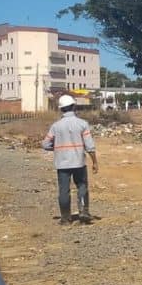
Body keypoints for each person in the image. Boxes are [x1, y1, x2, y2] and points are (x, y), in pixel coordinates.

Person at [42, 95, 98, 225]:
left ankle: (66, 218)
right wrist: (95, 162)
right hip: (78, 162)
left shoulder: (56, 126)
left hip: (62, 163)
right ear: (74, 107)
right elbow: (90, 146)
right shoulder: (82, 124)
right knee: (82, 186)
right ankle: (83, 212)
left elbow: (45, 144)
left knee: (64, 190)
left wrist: (56, 148)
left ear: (61, 109)